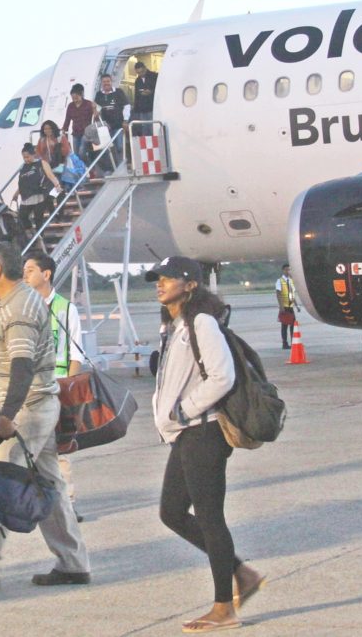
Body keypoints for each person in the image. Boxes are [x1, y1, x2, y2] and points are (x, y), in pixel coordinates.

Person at [0, 242, 90, 590]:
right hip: (36, 404)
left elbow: (22, 365)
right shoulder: (19, 299)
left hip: (30, 410)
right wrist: (3, 398)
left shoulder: (18, 307)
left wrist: (8, 412)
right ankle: (74, 563)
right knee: (49, 485)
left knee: (1, 482)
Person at [148, 256, 265, 633]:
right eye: (157, 278)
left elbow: (223, 376)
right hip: (186, 433)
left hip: (205, 431)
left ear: (191, 284)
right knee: (171, 512)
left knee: (211, 517)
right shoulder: (174, 325)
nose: (160, 284)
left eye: (168, 278)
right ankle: (240, 573)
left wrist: (185, 410)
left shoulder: (202, 323)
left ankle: (223, 608)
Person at [24, 253, 85, 522]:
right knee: (29, 449)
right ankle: (37, 502)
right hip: (30, 388)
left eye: (29, 270)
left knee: (59, 450)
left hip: (57, 386)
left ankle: (67, 503)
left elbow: (75, 353)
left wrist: (69, 387)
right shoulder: (23, 307)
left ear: (46, 274)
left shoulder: (65, 308)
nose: (24, 275)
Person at [14, 142, 62, 241]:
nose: (26, 159)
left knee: (38, 217)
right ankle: (32, 232)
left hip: (39, 194)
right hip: (26, 196)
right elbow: (22, 182)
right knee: (22, 216)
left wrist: (57, 185)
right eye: (24, 158)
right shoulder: (23, 167)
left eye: (27, 157)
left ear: (33, 155)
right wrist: (16, 193)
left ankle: (40, 237)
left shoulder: (41, 163)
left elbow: (50, 175)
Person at [94, 73, 130, 161]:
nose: (106, 83)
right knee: (108, 149)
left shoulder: (118, 92)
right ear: (101, 83)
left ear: (111, 82)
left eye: (108, 81)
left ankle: (122, 166)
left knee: (119, 147)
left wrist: (125, 120)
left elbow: (126, 106)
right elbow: (97, 107)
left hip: (118, 125)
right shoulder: (99, 94)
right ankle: (114, 167)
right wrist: (95, 112)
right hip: (106, 127)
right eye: (104, 82)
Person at [61, 83, 95, 158]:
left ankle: (89, 165)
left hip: (86, 132)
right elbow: (67, 119)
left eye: (76, 97)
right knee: (76, 154)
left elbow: (96, 116)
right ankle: (84, 168)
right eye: (73, 97)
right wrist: (64, 129)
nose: (75, 99)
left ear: (81, 94)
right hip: (76, 133)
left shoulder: (88, 104)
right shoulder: (70, 106)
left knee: (81, 151)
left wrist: (95, 110)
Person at [275, 264, 299, 349]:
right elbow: (278, 294)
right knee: (284, 326)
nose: (288, 271)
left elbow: (292, 294)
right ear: (283, 270)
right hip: (284, 307)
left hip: (290, 306)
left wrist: (296, 305)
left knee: (293, 325)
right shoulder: (279, 281)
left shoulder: (291, 281)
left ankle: (294, 342)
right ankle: (284, 343)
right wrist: (281, 306)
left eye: (289, 270)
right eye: (286, 270)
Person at [132, 60, 158, 135]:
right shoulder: (138, 80)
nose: (140, 74)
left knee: (152, 128)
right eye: (138, 73)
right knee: (145, 129)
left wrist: (151, 92)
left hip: (152, 107)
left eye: (141, 72)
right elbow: (136, 95)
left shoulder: (154, 76)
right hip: (142, 109)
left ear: (145, 69)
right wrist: (136, 109)